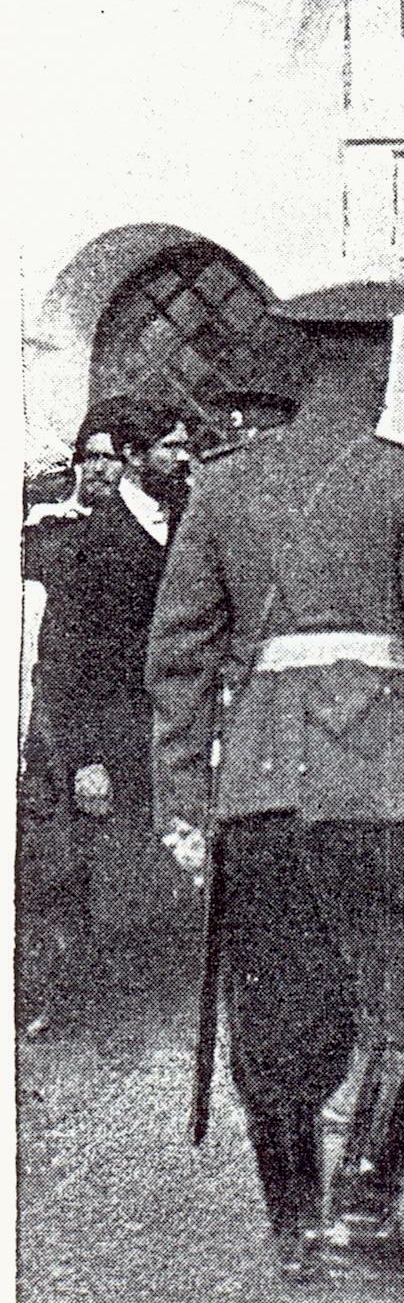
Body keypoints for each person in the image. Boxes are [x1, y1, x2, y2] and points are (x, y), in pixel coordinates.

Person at [143, 282, 404, 1288]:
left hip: (259, 782)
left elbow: (177, 656)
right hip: (384, 782)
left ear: (302, 366)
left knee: (274, 1012)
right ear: (377, 365)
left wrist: (181, 802)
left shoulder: (223, 484)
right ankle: (364, 1214)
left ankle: (295, 1227)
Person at [22, 396, 197, 1028]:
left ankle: (162, 992)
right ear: (134, 457)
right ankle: (87, 1004)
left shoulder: (190, 520)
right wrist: (85, 757)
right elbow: (68, 657)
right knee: (100, 863)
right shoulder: (94, 538)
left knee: (169, 855)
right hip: (112, 725)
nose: (184, 457)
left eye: (186, 445)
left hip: (175, 719)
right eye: (171, 446)